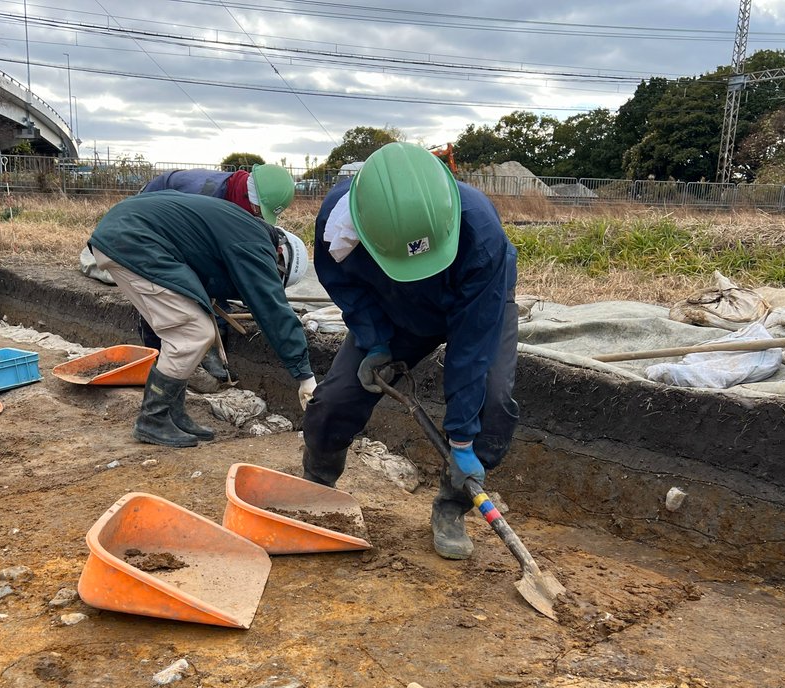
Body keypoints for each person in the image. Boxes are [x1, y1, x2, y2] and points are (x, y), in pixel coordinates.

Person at [301, 142, 519, 561]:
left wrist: (460, 440)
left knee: (492, 402)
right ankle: (316, 485)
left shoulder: (482, 234)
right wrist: (375, 339)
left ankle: (453, 504)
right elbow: (342, 284)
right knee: (335, 400)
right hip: (392, 309)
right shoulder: (338, 221)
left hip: (473, 304)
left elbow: (472, 346)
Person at [88, 191, 316, 449]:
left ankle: (174, 414)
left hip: (127, 234)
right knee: (193, 334)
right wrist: (305, 375)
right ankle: (153, 418)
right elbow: (273, 310)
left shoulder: (243, 229)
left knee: (188, 331)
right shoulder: (255, 244)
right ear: (279, 255)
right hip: (133, 240)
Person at [139, 163, 295, 224]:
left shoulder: (232, 186)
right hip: (145, 216)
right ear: (248, 195)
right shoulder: (204, 197)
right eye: (258, 212)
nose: (257, 217)